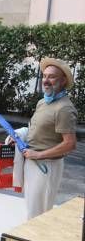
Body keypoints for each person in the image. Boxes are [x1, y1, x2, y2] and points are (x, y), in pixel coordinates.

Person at [11, 58, 78, 220]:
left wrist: (38, 155)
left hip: (46, 166)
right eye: (44, 76)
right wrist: (19, 135)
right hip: (32, 163)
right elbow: (37, 129)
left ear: (63, 81)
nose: (46, 81)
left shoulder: (64, 109)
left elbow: (70, 144)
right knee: (32, 207)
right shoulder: (43, 102)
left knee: (39, 213)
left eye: (52, 77)